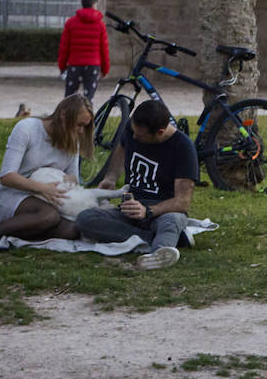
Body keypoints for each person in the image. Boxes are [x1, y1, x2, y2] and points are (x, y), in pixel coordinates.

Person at [75, 100, 198, 270]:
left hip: (162, 211)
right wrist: (110, 177)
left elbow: (182, 202)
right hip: (130, 208)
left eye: (140, 136)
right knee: (85, 219)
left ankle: (159, 252)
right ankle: (155, 240)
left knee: (173, 220)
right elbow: (121, 149)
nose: (134, 137)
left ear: (160, 132)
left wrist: (147, 211)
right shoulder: (133, 128)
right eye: (133, 132)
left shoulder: (183, 148)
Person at [0, 95, 93, 241]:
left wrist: (70, 181)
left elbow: (74, 179)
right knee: (48, 216)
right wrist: (42, 188)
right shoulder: (27, 128)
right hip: (11, 194)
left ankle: (26, 229)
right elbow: (7, 176)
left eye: (84, 127)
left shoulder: (72, 141)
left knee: (73, 231)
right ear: (63, 115)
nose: (81, 131)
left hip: (48, 200)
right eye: (78, 125)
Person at [59, 0, 111, 100]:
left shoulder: (71, 22)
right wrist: (105, 69)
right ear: (94, 5)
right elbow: (104, 49)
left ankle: (68, 116)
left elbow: (64, 47)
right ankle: (88, 116)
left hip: (74, 64)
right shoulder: (100, 24)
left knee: (69, 98)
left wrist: (62, 66)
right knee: (89, 98)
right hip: (93, 65)